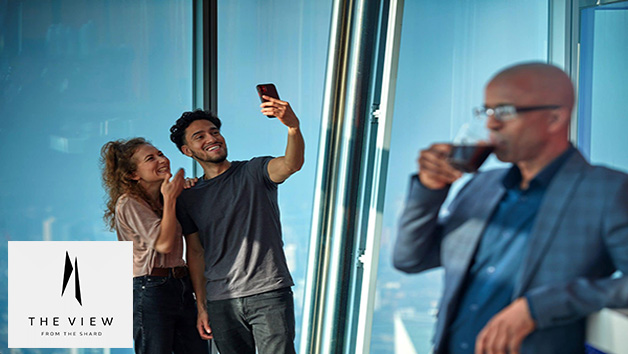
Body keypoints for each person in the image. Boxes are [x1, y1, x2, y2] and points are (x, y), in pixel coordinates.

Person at [393, 62, 628, 354]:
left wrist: (539, 307)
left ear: (555, 118)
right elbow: (410, 259)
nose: (491, 124)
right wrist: (430, 189)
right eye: (487, 111)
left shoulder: (607, 190)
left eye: (504, 111)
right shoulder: (480, 187)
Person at [169, 95, 305, 354]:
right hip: (221, 301)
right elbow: (195, 253)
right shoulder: (188, 196)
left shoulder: (254, 171)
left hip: (268, 293)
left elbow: (291, 164)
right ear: (187, 150)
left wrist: (293, 127)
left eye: (215, 132)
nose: (211, 138)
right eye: (199, 137)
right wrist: (202, 305)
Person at [100, 137, 209, 354]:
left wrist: (183, 191)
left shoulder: (165, 199)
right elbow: (164, 244)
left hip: (181, 285)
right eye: (151, 158)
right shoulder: (128, 202)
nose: (162, 160)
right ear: (133, 174)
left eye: (160, 153)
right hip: (151, 288)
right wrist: (170, 200)